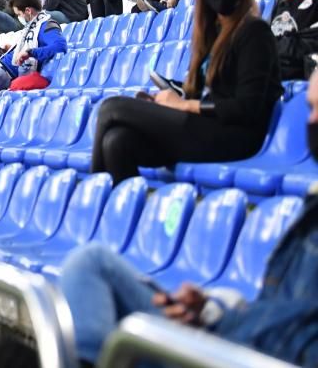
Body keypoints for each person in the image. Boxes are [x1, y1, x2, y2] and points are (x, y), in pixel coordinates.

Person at [61, 67, 318, 366]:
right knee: (91, 262)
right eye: (310, 108)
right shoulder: (312, 204)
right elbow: (277, 307)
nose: (310, 122)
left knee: (113, 109)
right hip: (231, 337)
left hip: (242, 353)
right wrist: (212, 309)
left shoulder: (254, 35)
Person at [90, 0, 282, 185]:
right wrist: (167, 101)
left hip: (236, 134)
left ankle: (91, 194)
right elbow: (203, 92)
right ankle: (123, 214)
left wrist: (183, 105)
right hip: (208, 126)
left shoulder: (254, 31)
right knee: (117, 141)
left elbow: (247, 107)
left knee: (113, 107)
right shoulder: (212, 33)